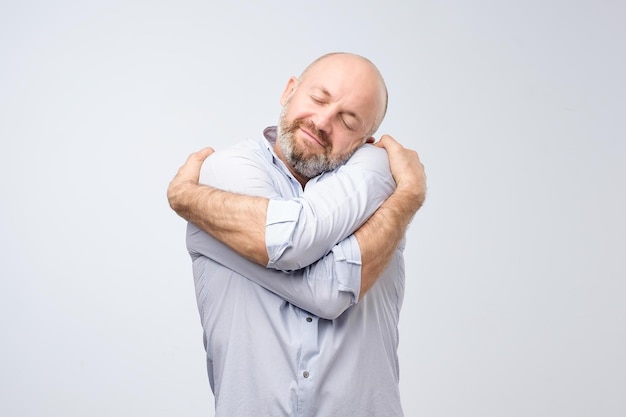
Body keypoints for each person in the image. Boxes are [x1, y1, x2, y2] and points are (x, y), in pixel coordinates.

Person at [167, 52, 426, 417]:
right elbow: (325, 282)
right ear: (290, 90)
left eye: (348, 121)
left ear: (366, 141)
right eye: (318, 99)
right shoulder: (224, 172)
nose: (322, 122)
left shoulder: (379, 172)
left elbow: (318, 278)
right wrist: (408, 197)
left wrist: (407, 197)